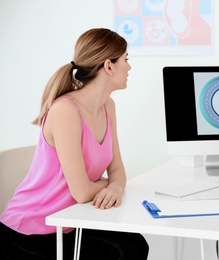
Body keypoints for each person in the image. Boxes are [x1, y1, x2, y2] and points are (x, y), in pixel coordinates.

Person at [0, 28, 149, 259]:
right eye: (125, 60)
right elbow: (81, 192)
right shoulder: (66, 111)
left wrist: (114, 187)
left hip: (69, 220)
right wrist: (106, 184)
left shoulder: (108, 106)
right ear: (109, 66)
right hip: (29, 229)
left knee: (134, 245)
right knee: (126, 250)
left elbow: (118, 170)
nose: (129, 67)